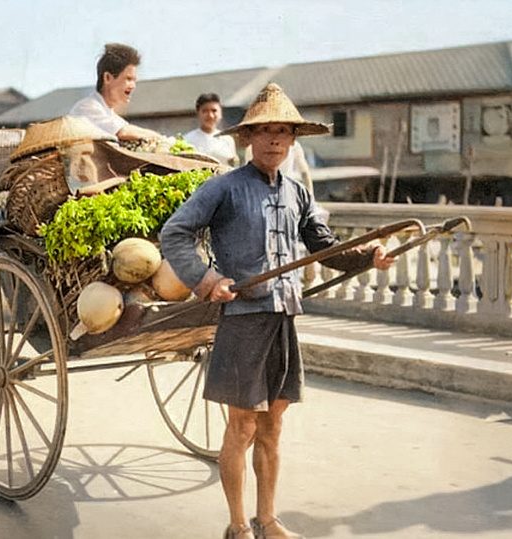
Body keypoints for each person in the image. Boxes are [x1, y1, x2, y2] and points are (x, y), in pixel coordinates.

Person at [161, 83, 395, 539]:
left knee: (273, 425)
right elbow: (175, 234)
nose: (274, 140)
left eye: (283, 132)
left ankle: (267, 520)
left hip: (284, 316)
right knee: (243, 425)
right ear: (248, 139)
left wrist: (368, 256)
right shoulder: (223, 189)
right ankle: (237, 525)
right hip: (244, 319)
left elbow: (324, 247)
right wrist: (208, 280)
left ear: (293, 140)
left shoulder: (297, 194)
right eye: (265, 132)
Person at [68, 43, 160, 141]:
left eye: (134, 80)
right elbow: (124, 132)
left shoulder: (111, 115)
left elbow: (130, 130)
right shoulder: (87, 107)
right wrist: (164, 140)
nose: (133, 86)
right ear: (107, 77)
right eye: (128, 79)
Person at [184, 93, 239, 167]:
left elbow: (234, 165)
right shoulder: (187, 140)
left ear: (220, 113)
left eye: (214, 110)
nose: (210, 115)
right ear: (198, 113)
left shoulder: (227, 139)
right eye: (205, 111)